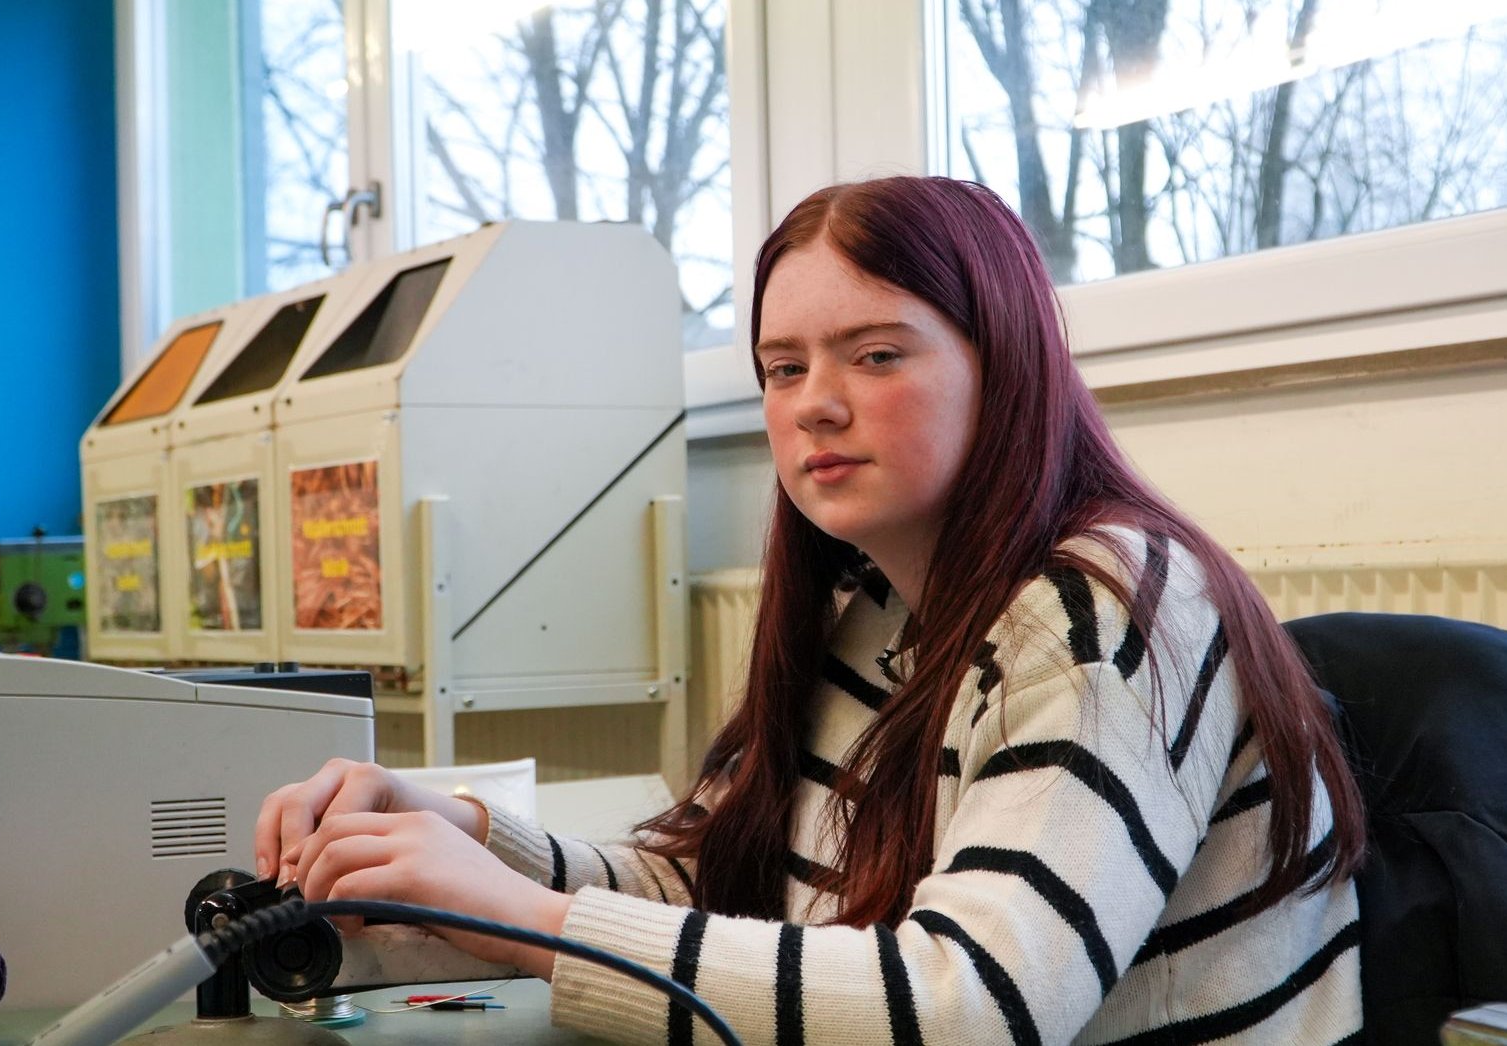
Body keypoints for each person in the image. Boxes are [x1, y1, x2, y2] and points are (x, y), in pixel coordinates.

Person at [256, 176, 1366, 1044]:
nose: (813, 403)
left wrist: (526, 922)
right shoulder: (878, 598)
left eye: (875, 354)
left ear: (1006, 366)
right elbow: (718, 879)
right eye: (781, 367)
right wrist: (470, 842)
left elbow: (967, 1003)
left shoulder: (1100, 612)